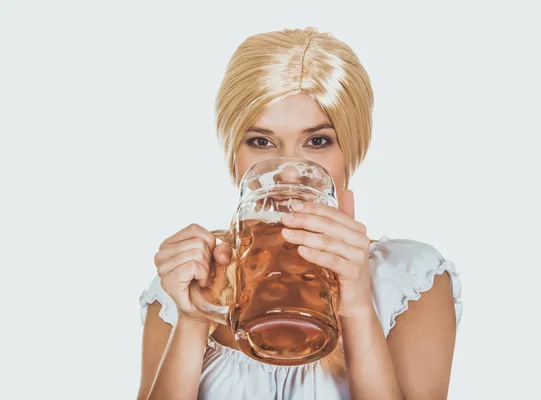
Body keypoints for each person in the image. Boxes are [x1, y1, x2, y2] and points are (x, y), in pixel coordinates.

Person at [137, 27, 462, 400]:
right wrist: (193, 320)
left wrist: (357, 308)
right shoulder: (182, 281)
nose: (290, 173)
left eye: (317, 141)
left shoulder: (411, 280)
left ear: (349, 156)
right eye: (261, 142)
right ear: (234, 159)